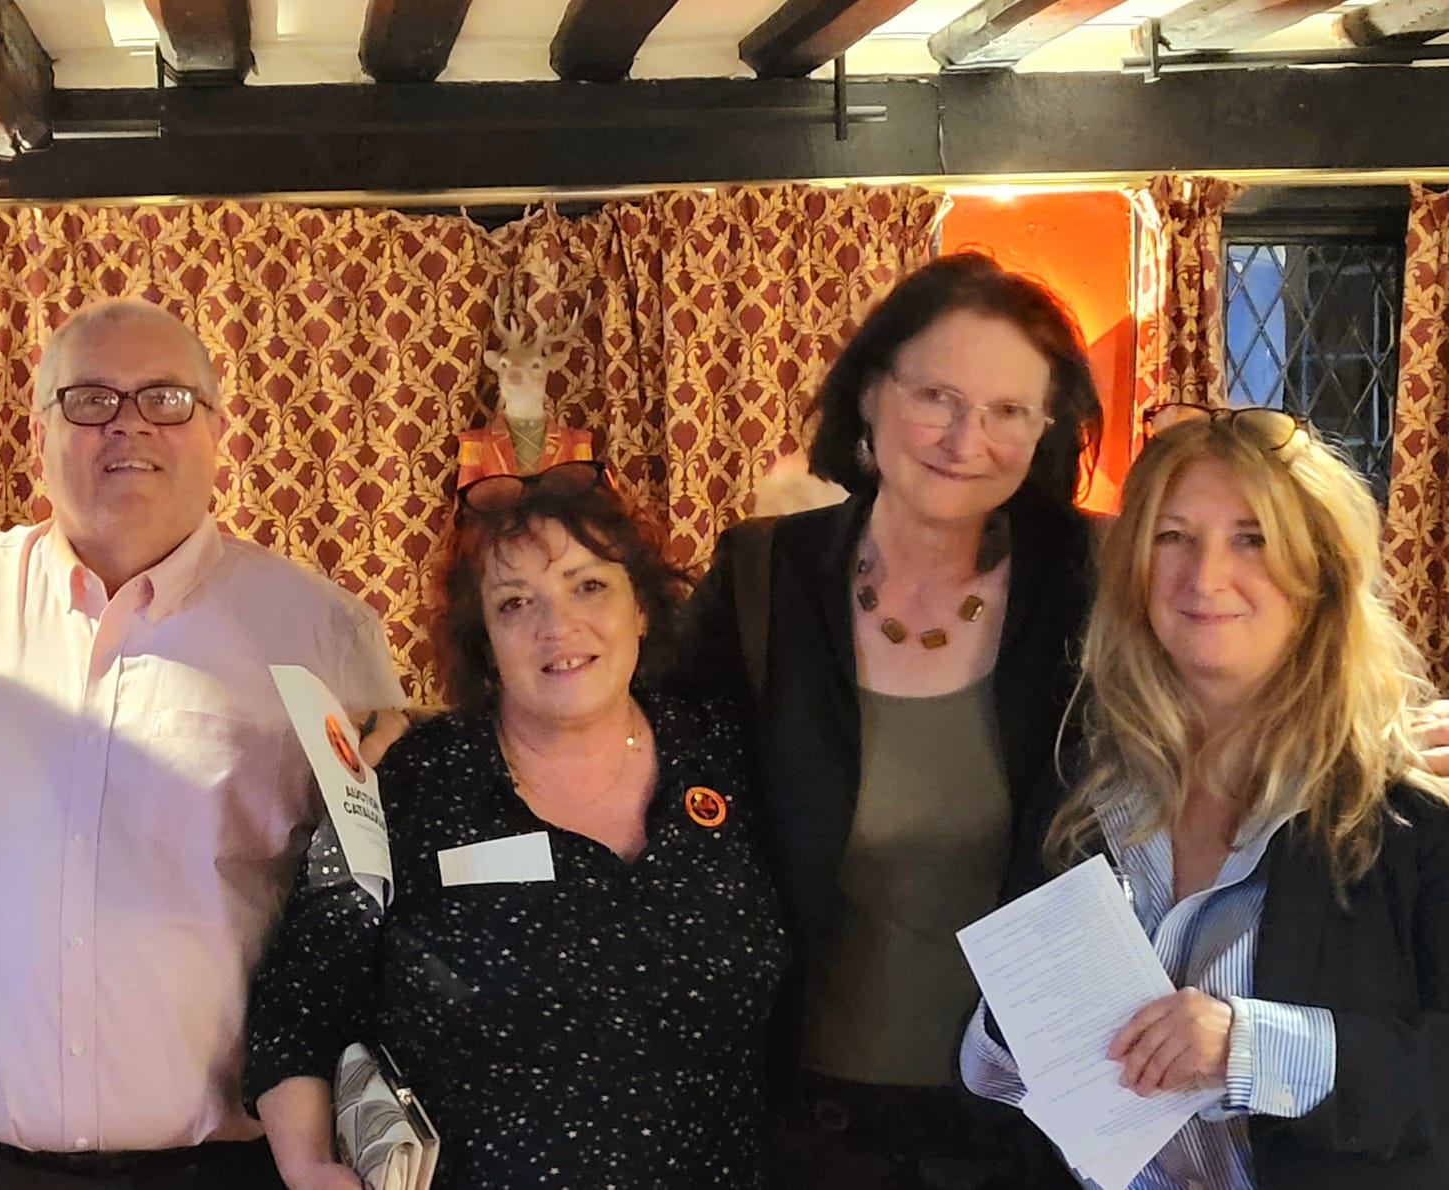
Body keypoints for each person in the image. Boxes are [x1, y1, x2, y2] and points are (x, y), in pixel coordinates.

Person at [0, 298, 404, 1190]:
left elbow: (370, 903)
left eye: (165, 399)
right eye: (90, 399)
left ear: (217, 431)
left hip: (221, 1170)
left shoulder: (323, 635)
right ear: (39, 430)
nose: (127, 425)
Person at [674, 251, 1106, 1188]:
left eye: (1008, 410)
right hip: (797, 1123)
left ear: (1046, 430)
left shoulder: (1098, 582)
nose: (965, 438)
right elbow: (645, 768)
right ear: (870, 394)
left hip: (1032, 1126)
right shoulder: (765, 578)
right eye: (937, 396)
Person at [244, 460, 787, 1189]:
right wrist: (310, 1167)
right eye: (515, 604)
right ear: (485, 645)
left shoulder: (727, 756)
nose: (557, 627)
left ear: (642, 607)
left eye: (589, 586)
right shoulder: (409, 785)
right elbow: (297, 1005)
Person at [963, 405, 1449, 1189]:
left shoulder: (1414, 808)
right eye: (1173, 537)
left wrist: (1249, 1048)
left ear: (1321, 576)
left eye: (1251, 539)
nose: (1204, 577)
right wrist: (1011, 1028)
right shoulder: (1079, 790)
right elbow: (1005, 1080)